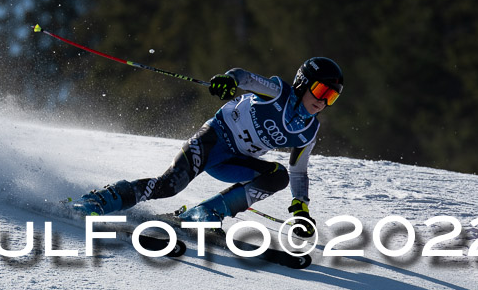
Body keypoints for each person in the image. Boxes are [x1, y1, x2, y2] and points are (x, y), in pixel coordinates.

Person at [76, 57, 343, 238]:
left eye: (332, 96)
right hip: (213, 140)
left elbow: (298, 172)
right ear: (302, 83)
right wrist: (228, 81)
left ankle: (205, 214)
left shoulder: (309, 131)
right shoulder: (277, 92)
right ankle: (99, 200)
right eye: (321, 91)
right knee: (170, 185)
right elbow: (243, 77)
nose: (323, 101)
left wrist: (301, 210)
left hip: (235, 162)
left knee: (278, 176)